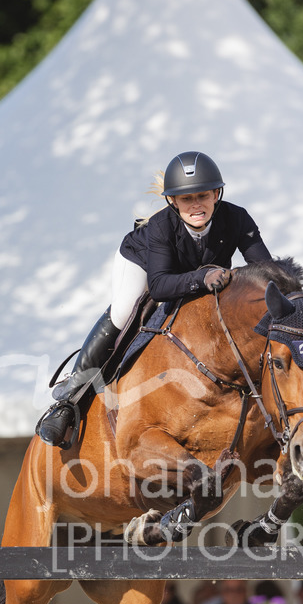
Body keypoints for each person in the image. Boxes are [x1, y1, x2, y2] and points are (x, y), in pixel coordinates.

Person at [36, 150, 272, 446]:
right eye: (187, 199)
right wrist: (201, 277)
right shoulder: (161, 226)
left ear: (216, 194)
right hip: (143, 264)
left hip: (194, 274)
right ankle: (68, 401)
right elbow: (159, 286)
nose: (196, 205)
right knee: (123, 312)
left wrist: (297, 301)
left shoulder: (237, 218)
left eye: (203, 195)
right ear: (173, 201)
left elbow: (266, 272)